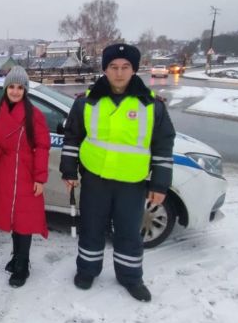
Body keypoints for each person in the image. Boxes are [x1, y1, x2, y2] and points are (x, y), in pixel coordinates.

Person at [60, 43, 175, 302]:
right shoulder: (86, 102)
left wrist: (160, 184)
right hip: (95, 179)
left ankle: (130, 277)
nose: (119, 73)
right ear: (105, 69)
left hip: (131, 183)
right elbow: (72, 138)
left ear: (134, 70)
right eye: (113, 67)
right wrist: (69, 171)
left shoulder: (151, 106)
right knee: (91, 228)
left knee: (128, 232)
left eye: (125, 67)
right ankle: (87, 270)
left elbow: (163, 146)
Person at [0, 66, 50, 287]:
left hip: (26, 173)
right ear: (5, 88)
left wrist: (40, 178)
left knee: (24, 220)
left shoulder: (34, 115)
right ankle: (16, 256)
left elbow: (42, 146)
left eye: (19, 87)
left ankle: (23, 264)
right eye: (11, 86)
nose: (14, 91)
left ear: (25, 90)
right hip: (4, 171)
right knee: (12, 218)